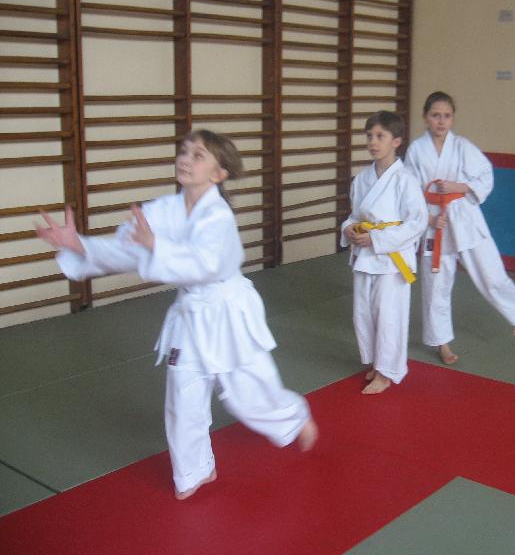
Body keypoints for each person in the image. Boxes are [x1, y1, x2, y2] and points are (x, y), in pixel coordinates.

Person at [35, 129, 318, 500]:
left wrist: (156, 245)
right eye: (184, 151)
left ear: (219, 173)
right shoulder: (162, 211)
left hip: (227, 313)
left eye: (198, 155)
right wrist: (79, 245)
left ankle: (294, 416)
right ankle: (196, 469)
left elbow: (207, 264)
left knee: (248, 394)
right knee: (182, 396)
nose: (185, 159)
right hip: (189, 316)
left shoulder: (218, 216)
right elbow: (128, 250)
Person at [405, 91, 515, 365]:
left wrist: (459, 186)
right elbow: (410, 191)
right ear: (425, 117)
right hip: (434, 222)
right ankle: (442, 343)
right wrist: (428, 220)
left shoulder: (462, 146)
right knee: (435, 286)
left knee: (489, 271)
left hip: (464, 216)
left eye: (447, 116)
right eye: (435, 115)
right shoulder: (416, 150)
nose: (441, 121)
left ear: (453, 119)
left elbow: (485, 175)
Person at [341, 111, 427, 395]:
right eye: (369, 136)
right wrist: (349, 228)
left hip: (391, 258)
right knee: (363, 313)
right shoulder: (362, 179)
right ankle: (377, 363)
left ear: (396, 141)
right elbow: (355, 215)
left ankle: (388, 372)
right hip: (365, 255)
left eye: (380, 136)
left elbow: (417, 223)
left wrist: (377, 239)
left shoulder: (405, 179)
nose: (373, 142)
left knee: (389, 315)